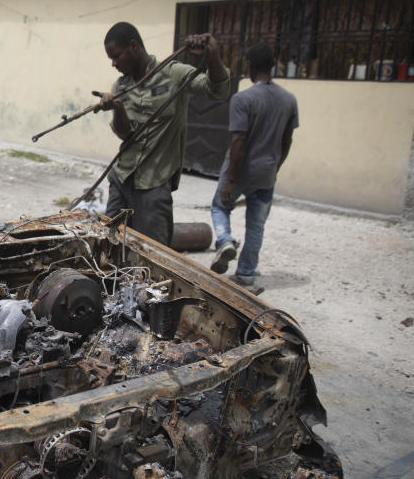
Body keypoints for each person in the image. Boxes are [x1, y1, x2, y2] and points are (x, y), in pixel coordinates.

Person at [95, 22, 230, 245]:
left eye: (116, 56)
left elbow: (218, 91)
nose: (113, 63)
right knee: (109, 245)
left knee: (152, 253)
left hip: (154, 183)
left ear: (134, 46)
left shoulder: (173, 74)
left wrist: (213, 56)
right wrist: (118, 108)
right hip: (122, 178)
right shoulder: (121, 86)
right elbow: (125, 133)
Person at [209, 42, 299, 286]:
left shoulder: (242, 99)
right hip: (266, 172)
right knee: (256, 225)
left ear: (250, 66)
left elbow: (238, 141)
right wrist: (275, 167)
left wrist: (230, 181)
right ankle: (247, 273)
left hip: (240, 172)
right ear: (272, 66)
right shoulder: (289, 100)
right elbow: (287, 140)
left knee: (219, 207)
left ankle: (225, 240)